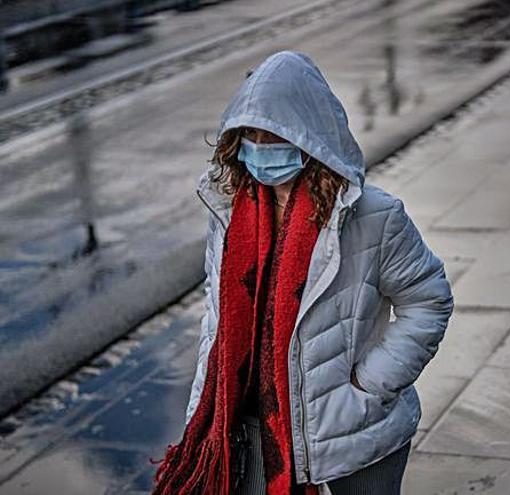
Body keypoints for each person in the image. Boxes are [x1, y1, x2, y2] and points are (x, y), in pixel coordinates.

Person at [150, 50, 454, 495]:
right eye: (249, 135)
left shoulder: (371, 216)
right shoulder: (230, 215)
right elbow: (216, 322)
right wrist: (203, 410)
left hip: (353, 439)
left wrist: (369, 385)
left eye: (272, 136)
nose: (259, 148)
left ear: (307, 135)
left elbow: (429, 300)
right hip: (252, 433)